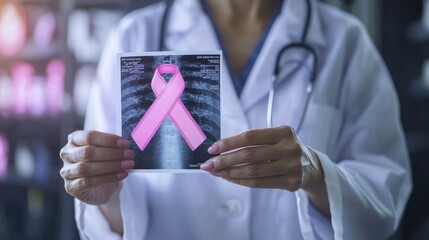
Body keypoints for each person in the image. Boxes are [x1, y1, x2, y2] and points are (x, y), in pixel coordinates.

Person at [59, 0, 412, 239]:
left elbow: (384, 197)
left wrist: (318, 176)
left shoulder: (345, 42)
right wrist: (105, 194)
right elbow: (118, 215)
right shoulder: (134, 35)